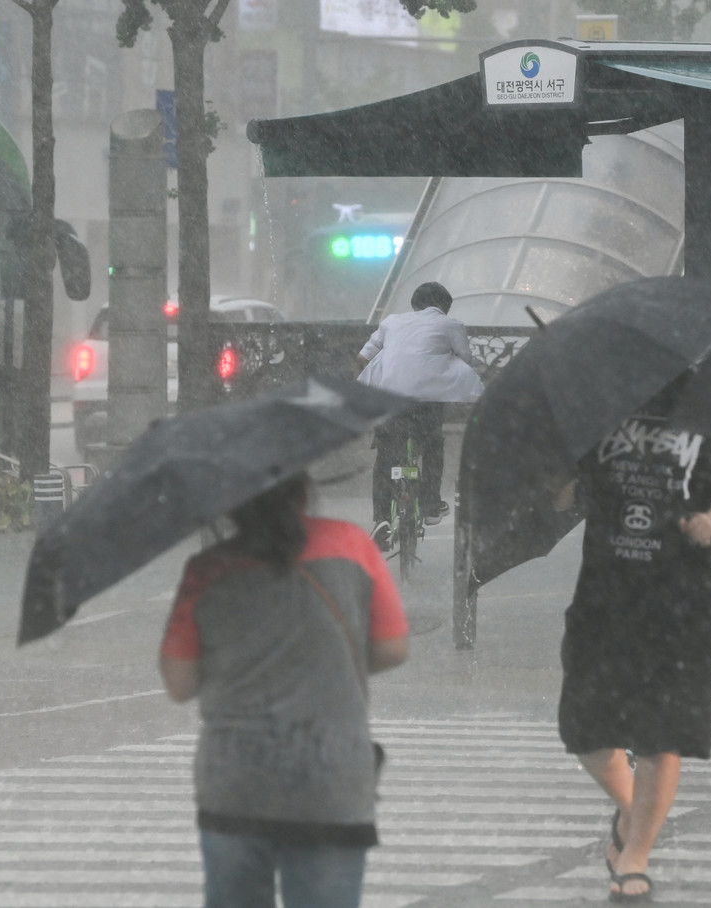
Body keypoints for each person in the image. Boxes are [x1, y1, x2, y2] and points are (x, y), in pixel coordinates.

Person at [158, 472, 408, 908]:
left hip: (237, 782)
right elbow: (392, 647)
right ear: (302, 490)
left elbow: (179, 683)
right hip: (330, 781)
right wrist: (321, 664)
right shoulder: (351, 545)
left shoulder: (208, 570)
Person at [553, 382, 711, 903]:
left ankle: (636, 854)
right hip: (603, 592)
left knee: (662, 732)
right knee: (585, 727)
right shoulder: (597, 406)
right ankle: (632, 813)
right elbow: (559, 497)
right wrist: (554, 456)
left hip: (677, 596)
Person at [356, 282, 483, 546]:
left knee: (386, 455)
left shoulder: (391, 322)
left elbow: (364, 356)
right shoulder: (451, 325)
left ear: (415, 304)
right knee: (434, 444)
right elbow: (465, 358)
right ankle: (430, 503)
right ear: (444, 306)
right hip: (427, 402)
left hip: (390, 401)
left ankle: (382, 517)